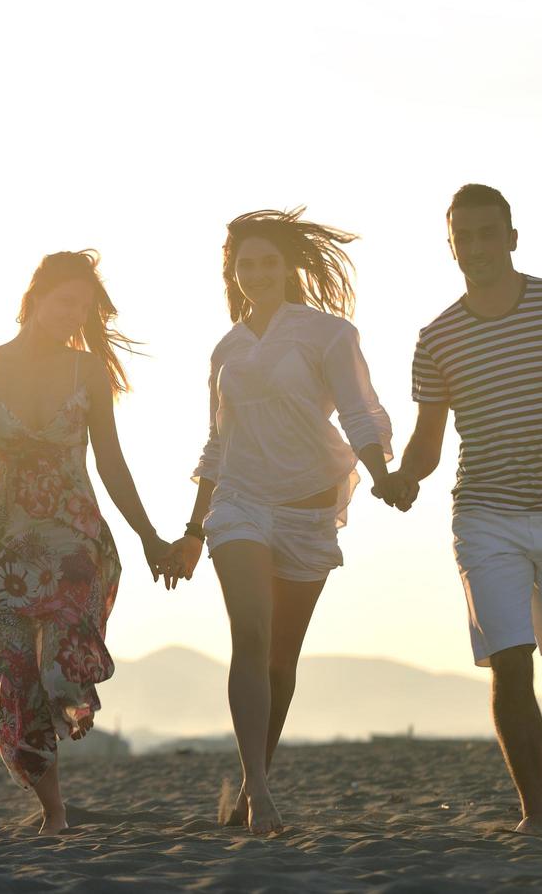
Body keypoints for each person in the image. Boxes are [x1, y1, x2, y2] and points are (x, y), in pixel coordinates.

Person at [376, 184, 542, 834]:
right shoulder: (436, 336)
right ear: (451, 247)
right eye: (462, 237)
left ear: (512, 238)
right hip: (484, 516)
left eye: (487, 234)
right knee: (510, 662)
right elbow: (429, 442)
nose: (475, 247)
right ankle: (537, 813)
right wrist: (405, 477)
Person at [170, 208, 396, 835]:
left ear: (289, 266)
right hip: (240, 501)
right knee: (250, 634)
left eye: (269, 262)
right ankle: (262, 796)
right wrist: (194, 530)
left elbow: (360, 411)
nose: (258, 273)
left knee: (280, 658)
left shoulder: (328, 334)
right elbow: (217, 445)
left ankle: (251, 783)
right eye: (247, 264)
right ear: (233, 272)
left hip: (307, 509)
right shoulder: (227, 349)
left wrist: (381, 475)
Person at [0, 250, 173, 835]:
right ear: (35, 298)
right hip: (3, 545)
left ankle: (63, 747)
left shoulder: (87, 374)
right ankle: (54, 810)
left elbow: (110, 459)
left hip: (75, 542)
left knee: (57, 667)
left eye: (82, 307)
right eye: (65, 302)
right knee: (18, 678)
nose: (72, 315)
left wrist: (150, 535)